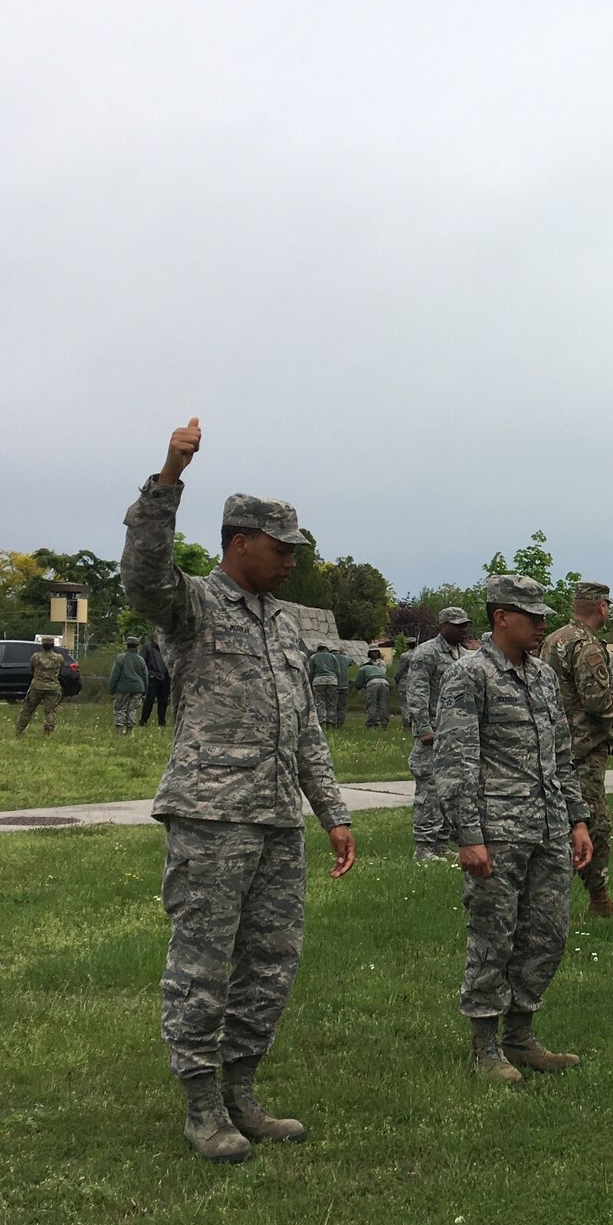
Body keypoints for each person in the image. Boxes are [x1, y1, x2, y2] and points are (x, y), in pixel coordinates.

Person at [121, 417, 355, 1165]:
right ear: (239, 542)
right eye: (280, 548)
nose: (290, 560)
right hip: (212, 817)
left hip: (278, 821)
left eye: (294, 549)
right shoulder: (191, 607)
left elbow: (306, 728)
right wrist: (167, 478)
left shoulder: (282, 625)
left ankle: (243, 1094)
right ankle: (201, 1106)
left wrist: (333, 812)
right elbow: (142, 576)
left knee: (270, 963)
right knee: (202, 962)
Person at [435, 574, 595, 1083]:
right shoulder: (470, 675)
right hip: (497, 832)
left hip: (548, 828)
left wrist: (577, 819)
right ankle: (485, 1044)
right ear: (501, 617)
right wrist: (469, 835)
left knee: (547, 934)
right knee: (493, 936)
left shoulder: (544, 677)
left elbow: (562, 757)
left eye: (545, 616)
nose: (542, 624)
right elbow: (456, 762)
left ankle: (520, 1036)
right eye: (532, 616)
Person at [541, 579, 613, 916]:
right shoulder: (588, 646)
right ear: (602, 607)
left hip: (552, 744)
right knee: (592, 822)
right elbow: (598, 703)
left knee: (555, 819)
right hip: (583, 749)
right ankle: (596, 900)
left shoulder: (553, 641)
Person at [401, 608, 476, 863]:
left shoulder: (464, 655)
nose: (463, 629)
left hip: (456, 734)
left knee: (452, 790)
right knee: (429, 791)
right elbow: (417, 693)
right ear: (443, 626)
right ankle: (423, 847)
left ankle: (442, 842)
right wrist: (423, 729)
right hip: (432, 734)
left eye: (465, 625)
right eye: (457, 625)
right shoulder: (427, 653)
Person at [15, 636, 67, 737]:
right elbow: (60, 670)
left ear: (42, 645)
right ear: (52, 645)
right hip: (52, 687)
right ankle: (48, 733)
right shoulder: (59, 658)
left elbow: (31, 668)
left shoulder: (36, 657)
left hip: (37, 686)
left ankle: (19, 731)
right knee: (50, 711)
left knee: (28, 709)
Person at [109, 635, 150, 734]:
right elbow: (145, 676)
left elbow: (115, 674)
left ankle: (119, 732)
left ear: (126, 645)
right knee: (132, 710)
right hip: (138, 688)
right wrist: (145, 691)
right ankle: (129, 732)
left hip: (123, 687)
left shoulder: (120, 657)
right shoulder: (140, 659)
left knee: (120, 708)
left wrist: (112, 689)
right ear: (137, 646)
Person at [308, 642, 347, 728]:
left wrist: (310, 683)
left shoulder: (313, 657)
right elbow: (338, 671)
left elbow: (310, 672)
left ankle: (322, 723)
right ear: (326, 648)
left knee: (320, 703)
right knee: (332, 702)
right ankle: (332, 723)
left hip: (318, 681)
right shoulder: (332, 657)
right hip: (332, 680)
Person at [355, 650, 392, 728]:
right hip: (385, 683)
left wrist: (360, 687)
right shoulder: (378, 667)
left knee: (372, 704)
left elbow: (358, 684)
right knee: (383, 705)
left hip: (372, 683)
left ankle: (370, 724)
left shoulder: (363, 668)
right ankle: (384, 724)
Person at [141, 633, 172, 725]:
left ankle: (162, 721)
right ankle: (143, 720)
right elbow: (143, 662)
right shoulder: (147, 647)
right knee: (149, 700)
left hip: (165, 677)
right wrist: (149, 674)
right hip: (153, 677)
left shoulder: (166, 647)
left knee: (163, 701)